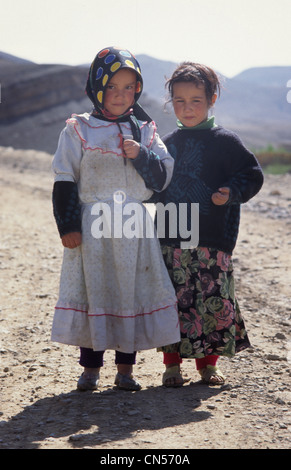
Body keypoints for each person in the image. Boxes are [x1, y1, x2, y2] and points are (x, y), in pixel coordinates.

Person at [51, 47, 180, 391]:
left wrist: (142, 156)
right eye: (113, 87)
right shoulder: (79, 130)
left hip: (133, 229)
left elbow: (163, 177)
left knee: (130, 292)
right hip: (93, 228)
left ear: (137, 90)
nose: (121, 95)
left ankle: (126, 371)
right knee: (96, 291)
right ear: (97, 86)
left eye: (129, 87)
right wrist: (68, 225)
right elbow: (65, 178)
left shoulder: (146, 131)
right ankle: (90, 369)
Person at [154, 61, 264, 386]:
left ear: (212, 99)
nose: (187, 108)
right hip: (173, 239)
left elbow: (252, 174)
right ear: (171, 102)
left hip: (213, 241)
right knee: (174, 301)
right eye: (179, 101)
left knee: (211, 303)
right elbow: (155, 185)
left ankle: (208, 366)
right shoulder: (167, 144)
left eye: (196, 101)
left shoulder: (226, 142)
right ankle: (171, 366)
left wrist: (231, 192)